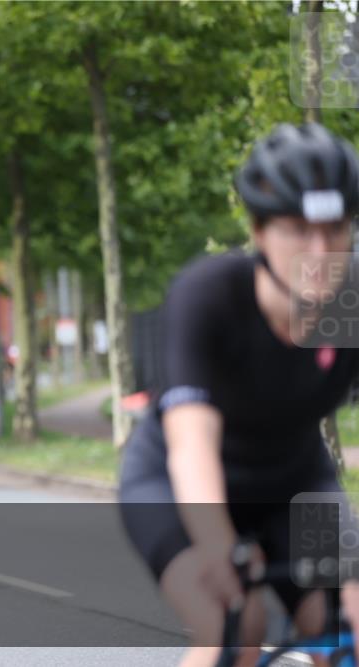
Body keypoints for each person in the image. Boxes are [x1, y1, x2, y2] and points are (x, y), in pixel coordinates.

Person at [119, 123, 359, 667]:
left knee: (348, 622)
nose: (320, 252)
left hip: (295, 483)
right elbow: (191, 444)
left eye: (336, 229)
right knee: (235, 627)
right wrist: (216, 546)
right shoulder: (210, 296)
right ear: (258, 231)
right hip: (176, 483)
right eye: (298, 229)